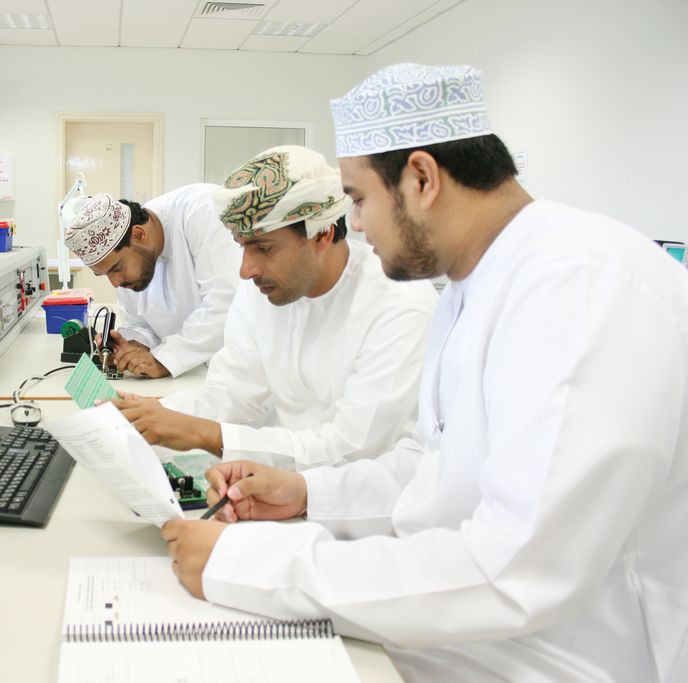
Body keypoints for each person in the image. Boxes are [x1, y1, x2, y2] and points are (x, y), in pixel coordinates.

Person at [160, 63, 688, 682]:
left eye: (359, 200)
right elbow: (431, 467)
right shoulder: (472, 285)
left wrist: (253, 567)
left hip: (567, 658)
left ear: (421, 178)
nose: (353, 225)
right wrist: (307, 493)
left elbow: (517, 569)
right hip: (464, 624)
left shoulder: (579, 287)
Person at [115, 145, 437, 469]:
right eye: (242, 247)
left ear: (321, 234)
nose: (245, 270)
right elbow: (233, 391)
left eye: (264, 248)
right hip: (286, 482)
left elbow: (352, 447)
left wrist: (207, 435)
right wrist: (146, 416)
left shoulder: (399, 303)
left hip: (369, 493)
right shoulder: (261, 291)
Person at [64, 185, 240, 378]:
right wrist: (130, 347)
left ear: (139, 235)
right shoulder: (129, 261)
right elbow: (139, 323)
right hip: (195, 377)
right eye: (105, 274)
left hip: (243, 370)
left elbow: (227, 303)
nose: (114, 282)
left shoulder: (202, 212)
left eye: (116, 268)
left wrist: (165, 360)